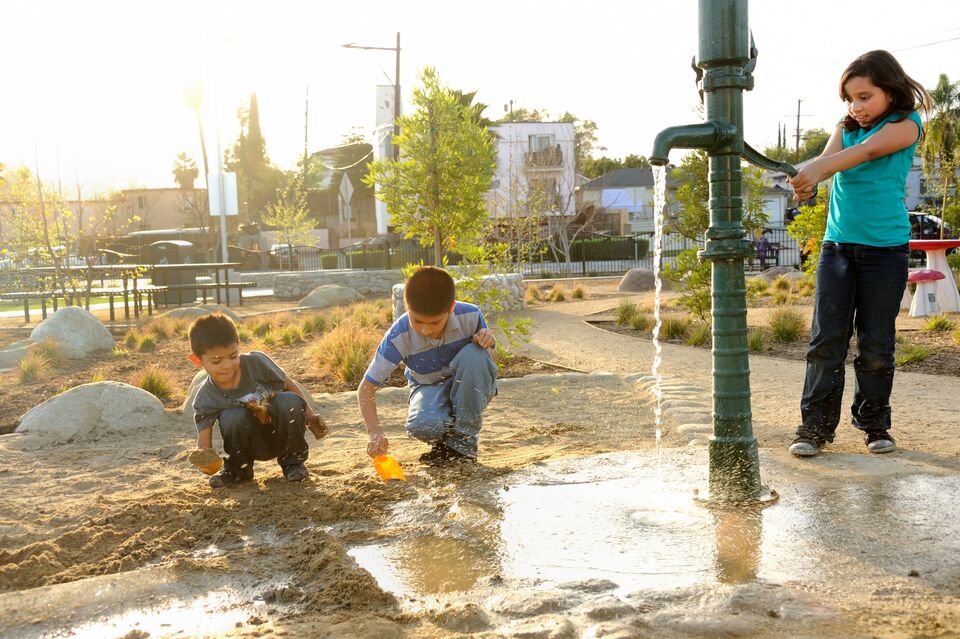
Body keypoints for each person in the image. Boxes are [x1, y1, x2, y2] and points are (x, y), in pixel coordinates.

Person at [787, 50, 930, 457]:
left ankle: (874, 425)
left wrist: (818, 168)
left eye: (865, 96)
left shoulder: (907, 125)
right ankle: (814, 428)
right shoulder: (844, 127)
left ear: (889, 90)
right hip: (838, 248)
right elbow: (828, 163)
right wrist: (808, 182)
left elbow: (864, 153)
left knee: (876, 344)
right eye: (850, 98)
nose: (857, 107)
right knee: (826, 341)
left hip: (885, 252)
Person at [359, 266, 497, 466]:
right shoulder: (398, 336)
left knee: (476, 354)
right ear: (407, 307)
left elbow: (489, 362)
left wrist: (486, 344)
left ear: (451, 308)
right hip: (427, 387)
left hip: (469, 384)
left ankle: (464, 445)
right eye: (417, 321)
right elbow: (366, 388)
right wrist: (374, 433)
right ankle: (444, 445)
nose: (425, 330)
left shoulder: (471, 315)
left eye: (434, 323)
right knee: (422, 425)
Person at [188, 313, 327, 487]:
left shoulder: (256, 363)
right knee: (232, 416)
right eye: (216, 361)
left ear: (238, 346)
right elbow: (204, 443)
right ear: (197, 360)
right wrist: (204, 459)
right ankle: (239, 470)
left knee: (288, 399)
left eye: (233, 356)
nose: (227, 365)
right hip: (248, 445)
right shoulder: (206, 396)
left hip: (283, 435)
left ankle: (294, 463)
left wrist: (311, 417)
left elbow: (289, 384)